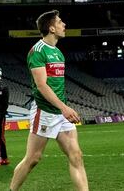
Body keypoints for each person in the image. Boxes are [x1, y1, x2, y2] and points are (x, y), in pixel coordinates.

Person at [10, 10, 88, 191]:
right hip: (44, 112)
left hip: (61, 114)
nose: (64, 25)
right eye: (60, 22)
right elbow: (41, 85)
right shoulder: (37, 51)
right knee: (33, 159)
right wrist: (64, 108)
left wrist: (63, 109)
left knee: (76, 155)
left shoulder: (58, 53)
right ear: (51, 28)